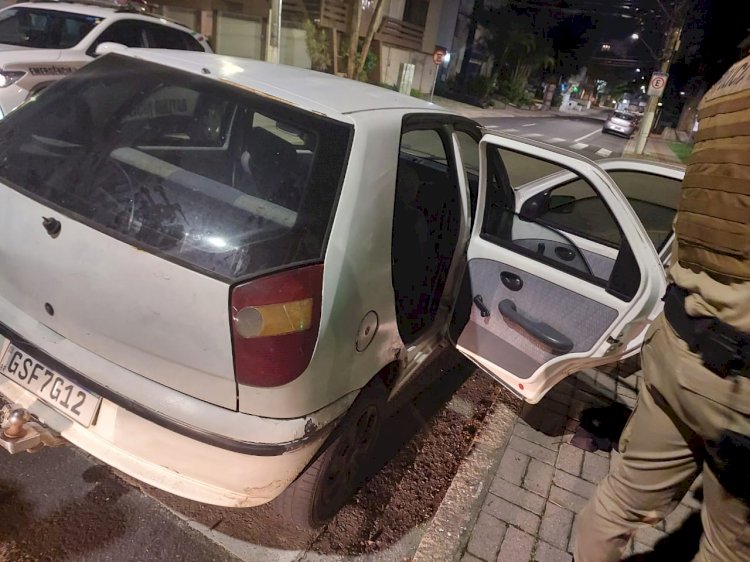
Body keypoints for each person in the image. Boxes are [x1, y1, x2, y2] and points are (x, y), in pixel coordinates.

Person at [574, 54, 750, 562]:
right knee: (726, 549)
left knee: (618, 501)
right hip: (738, 389)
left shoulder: (728, 83)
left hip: (676, 343)